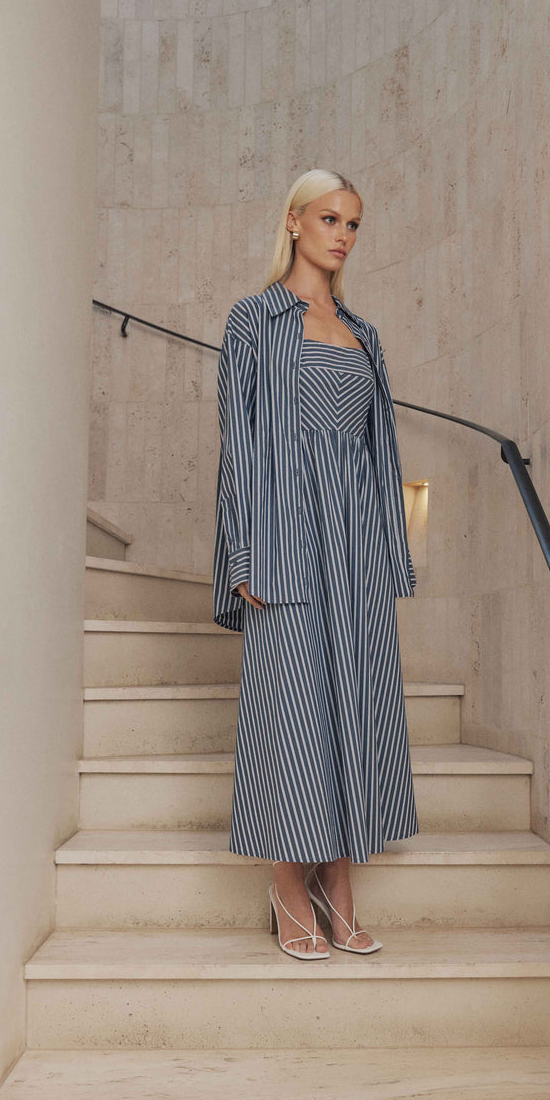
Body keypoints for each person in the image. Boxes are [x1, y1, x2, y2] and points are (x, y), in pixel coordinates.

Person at [212, 169, 419, 960]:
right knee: (292, 707)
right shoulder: (254, 321)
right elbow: (239, 441)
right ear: (294, 221)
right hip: (283, 534)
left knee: (357, 704)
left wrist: (390, 555)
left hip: (357, 540)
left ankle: (340, 880)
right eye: (330, 218)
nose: (343, 235)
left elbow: (381, 450)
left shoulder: (364, 333)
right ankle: (288, 884)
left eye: (355, 224)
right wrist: (241, 551)